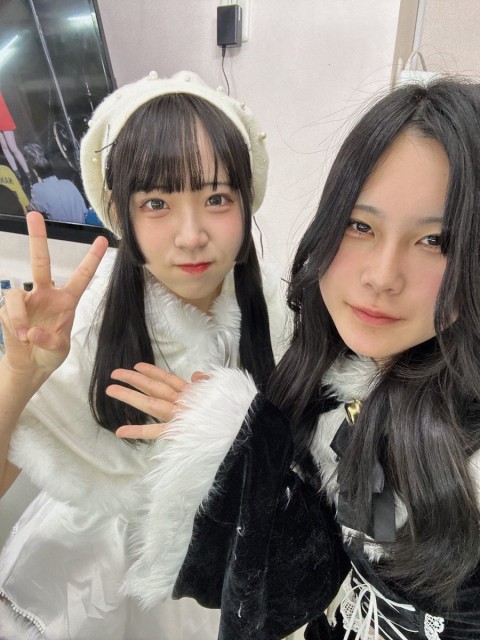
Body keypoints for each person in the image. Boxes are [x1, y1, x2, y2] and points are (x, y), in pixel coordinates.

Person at [106, 77, 480, 639]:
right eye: (360, 225)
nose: (382, 276)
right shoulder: (333, 377)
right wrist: (236, 449)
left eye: (436, 241)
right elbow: (335, 560)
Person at [0, 70, 290, 639]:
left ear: (246, 199)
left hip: (225, 562)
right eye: (157, 201)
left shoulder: (277, 306)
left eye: (216, 198)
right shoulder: (88, 317)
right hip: (89, 575)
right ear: (120, 211)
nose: (191, 235)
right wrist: (18, 375)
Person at [23, 143, 88, 223]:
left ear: (34, 170)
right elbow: (84, 212)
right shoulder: (69, 184)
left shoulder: (38, 190)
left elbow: (30, 215)